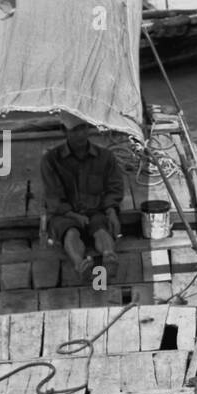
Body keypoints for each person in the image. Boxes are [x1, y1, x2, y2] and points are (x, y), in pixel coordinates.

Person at [41, 112, 124, 279]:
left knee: (101, 229)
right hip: (64, 215)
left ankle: (109, 256)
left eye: (84, 128)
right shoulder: (51, 160)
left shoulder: (105, 157)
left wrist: (111, 210)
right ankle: (80, 264)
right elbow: (53, 196)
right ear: (64, 131)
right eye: (75, 130)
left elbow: (114, 188)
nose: (81, 134)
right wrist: (73, 215)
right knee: (70, 232)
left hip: (95, 212)